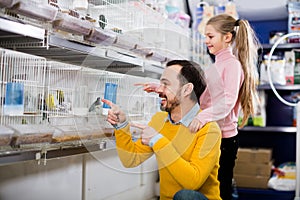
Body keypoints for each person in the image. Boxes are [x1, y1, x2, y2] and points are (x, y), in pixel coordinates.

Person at [137, 14, 260, 200]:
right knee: (201, 187)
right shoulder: (215, 66)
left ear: (227, 37)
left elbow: (226, 101)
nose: (206, 41)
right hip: (209, 133)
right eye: (205, 36)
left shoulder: (232, 65)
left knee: (220, 188)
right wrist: (164, 88)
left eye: (210, 36)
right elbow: (194, 93)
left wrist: (202, 117)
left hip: (224, 138)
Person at [102, 60, 222, 200]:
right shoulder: (160, 120)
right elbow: (130, 160)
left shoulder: (209, 129)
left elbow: (192, 182)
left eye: (166, 84)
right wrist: (121, 126)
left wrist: (157, 140)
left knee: (185, 196)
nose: (159, 89)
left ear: (186, 89)